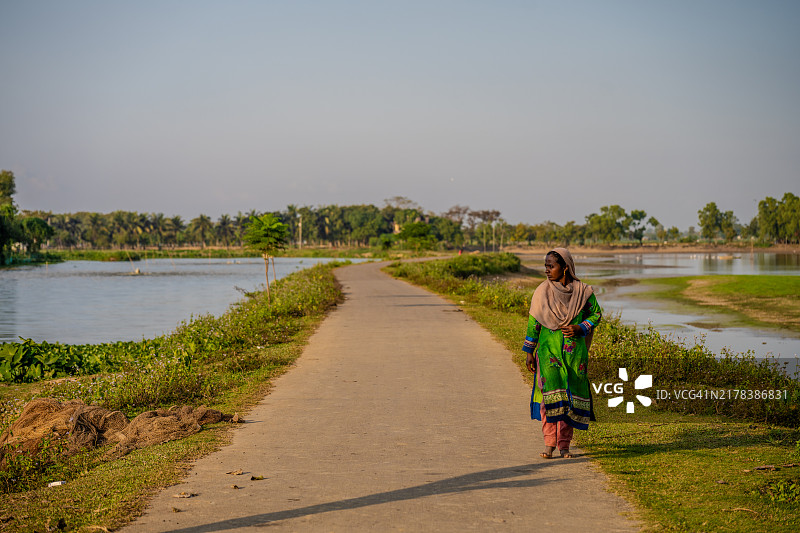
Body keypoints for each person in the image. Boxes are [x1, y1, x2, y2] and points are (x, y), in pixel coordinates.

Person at [522, 248, 601, 459]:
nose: (547, 270)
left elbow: (596, 314)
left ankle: (565, 445)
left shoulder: (583, 292)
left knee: (569, 399)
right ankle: (549, 444)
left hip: (575, 354)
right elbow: (534, 323)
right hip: (548, 353)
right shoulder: (542, 292)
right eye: (546, 266)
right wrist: (530, 351)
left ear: (565, 267)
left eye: (551, 266)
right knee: (549, 398)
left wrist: (580, 328)